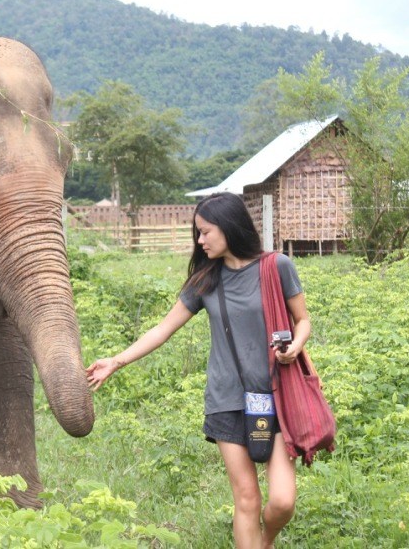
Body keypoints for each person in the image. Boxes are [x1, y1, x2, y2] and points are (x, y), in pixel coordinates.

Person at [86, 192, 312, 549]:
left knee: (282, 502)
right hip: (226, 399)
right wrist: (116, 360)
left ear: (229, 227)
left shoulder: (277, 266)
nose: (200, 240)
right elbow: (162, 329)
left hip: (276, 395)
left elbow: (303, 320)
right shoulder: (205, 279)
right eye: (198, 233)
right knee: (247, 499)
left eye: (206, 232)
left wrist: (296, 345)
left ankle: (266, 538)